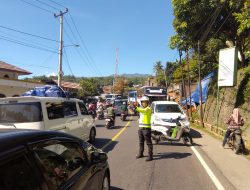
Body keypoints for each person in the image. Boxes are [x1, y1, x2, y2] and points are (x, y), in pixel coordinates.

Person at [134, 96, 153, 161]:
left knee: (148, 143)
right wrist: (133, 107)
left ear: (148, 102)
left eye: (145, 102)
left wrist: (136, 107)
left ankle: (150, 156)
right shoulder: (141, 109)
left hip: (146, 129)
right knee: (141, 142)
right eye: (142, 102)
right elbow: (139, 111)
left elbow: (142, 110)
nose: (143, 103)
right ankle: (141, 153)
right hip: (141, 128)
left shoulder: (148, 109)